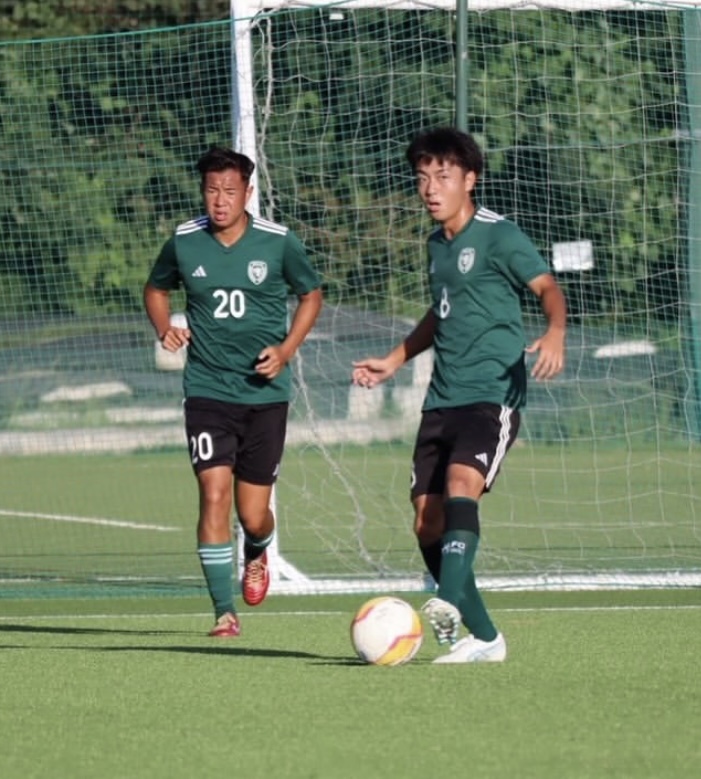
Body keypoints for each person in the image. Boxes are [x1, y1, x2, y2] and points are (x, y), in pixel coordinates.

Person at [352, 127, 567, 663]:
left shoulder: (499, 235)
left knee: (460, 483)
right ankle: (486, 638)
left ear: (470, 180)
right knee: (426, 520)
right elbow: (440, 311)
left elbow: (547, 287)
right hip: (441, 399)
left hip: (492, 395)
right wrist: (395, 359)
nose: (430, 188)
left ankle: (445, 600)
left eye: (443, 177)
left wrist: (556, 331)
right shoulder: (436, 245)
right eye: (422, 178)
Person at [144, 146, 323, 637]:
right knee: (213, 493)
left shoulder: (278, 242)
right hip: (207, 390)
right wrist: (165, 328)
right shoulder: (185, 241)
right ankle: (224, 611)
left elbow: (311, 295)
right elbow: (155, 289)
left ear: (247, 192)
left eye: (229, 191)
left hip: (265, 395)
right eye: (211, 190)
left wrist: (285, 350)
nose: (219, 200)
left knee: (254, 514)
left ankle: (257, 550)